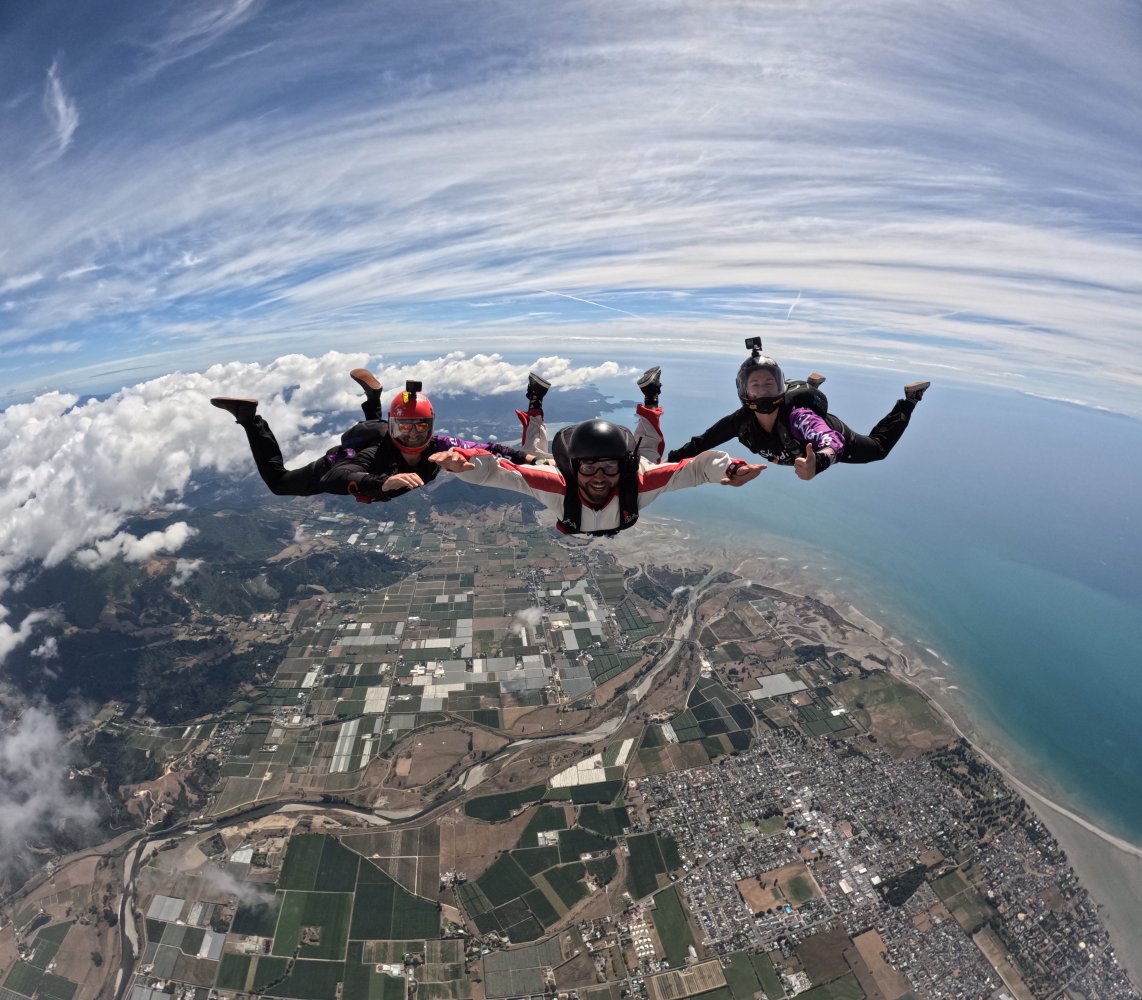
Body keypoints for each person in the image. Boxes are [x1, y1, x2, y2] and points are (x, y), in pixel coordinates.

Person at [429, 368, 764, 536]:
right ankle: (649, 399)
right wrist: (466, 464)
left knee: (646, 456)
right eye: (590, 468)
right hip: (610, 478)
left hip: (627, 473)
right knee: (533, 454)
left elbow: (698, 467)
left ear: (623, 466)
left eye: (608, 467)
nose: (600, 478)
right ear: (574, 468)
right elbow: (501, 472)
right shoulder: (563, 484)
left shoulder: (632, 481)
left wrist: (730, 471)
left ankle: (537, 402)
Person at [210, 373, 533, 502]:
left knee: (377, 429)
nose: (412, 435)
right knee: (279, 484)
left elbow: (491, 449)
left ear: (431, 428)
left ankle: (374, 399)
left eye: (420, 427)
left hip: (379, 441)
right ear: (394, 427)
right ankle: (251, 421)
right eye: (404, 427)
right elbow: (337, 475)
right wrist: (379, 483)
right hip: (348, 460)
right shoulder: (374, 454)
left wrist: (529, 458)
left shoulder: (441, 445)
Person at [667, 340, 930, 481]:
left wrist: (820, 462)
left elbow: (831, 441)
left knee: (878, 449)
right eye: (755, 385)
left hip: (830, 431)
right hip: (790, 452)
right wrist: (665, 465)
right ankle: (811, 385)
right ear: (744, 391)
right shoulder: (740, 422)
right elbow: (702, 442)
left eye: (770, 383)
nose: (763, 390)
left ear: (780, 386)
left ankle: (910, 399)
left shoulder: (799, 417)